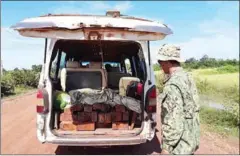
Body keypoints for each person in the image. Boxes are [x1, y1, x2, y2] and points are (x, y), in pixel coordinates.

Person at [157, 44, 200, 155]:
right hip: (191, 140)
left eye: (160, 61)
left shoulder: (172, 85)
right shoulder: (187, 77)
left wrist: (166, 148)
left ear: (168, 62)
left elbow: (173, 120)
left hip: (179, 147)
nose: (160, 65)